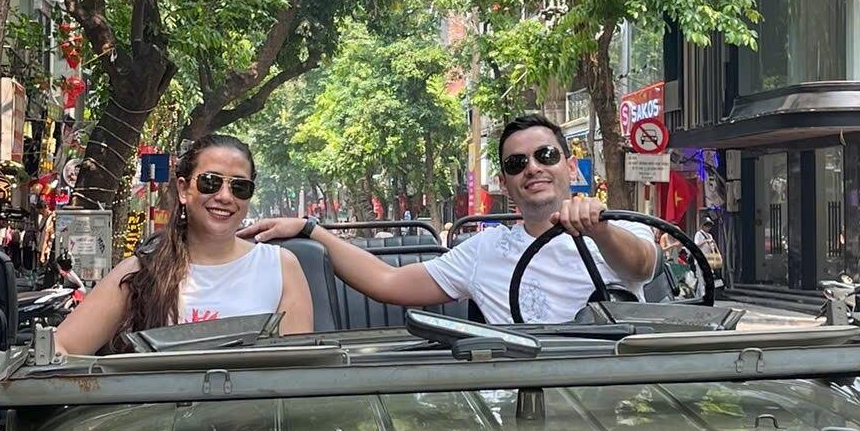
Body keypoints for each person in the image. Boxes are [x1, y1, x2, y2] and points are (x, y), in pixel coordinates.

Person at [245, 113, 658, 324]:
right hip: (525, 402)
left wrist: (599, 229)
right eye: (517, 163)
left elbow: (641, 266)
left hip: (615, 391)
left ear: (570, 166)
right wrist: (310, 229)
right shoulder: (486, 249)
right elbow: (387, 282)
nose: (532, 168)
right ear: (505, 182)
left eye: (545, 156)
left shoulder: (621, 227)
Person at [55, 135, 315, 354]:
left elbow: (297, 371)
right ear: (183, 189)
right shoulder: (142, 271)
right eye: (210, 182)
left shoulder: (280, 266)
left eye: (240, 187)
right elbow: (61, 347)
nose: (225, 197)